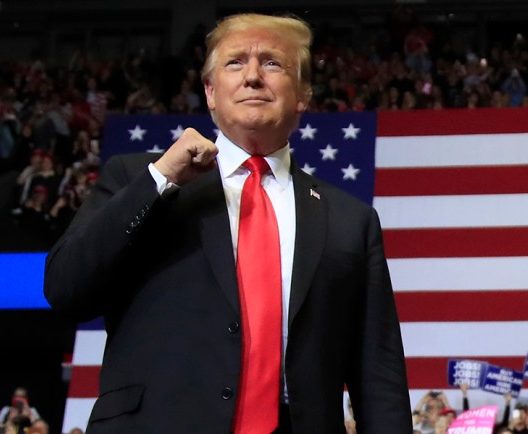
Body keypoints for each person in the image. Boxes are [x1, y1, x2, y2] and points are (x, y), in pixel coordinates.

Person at [44, 12, 411, 434]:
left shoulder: (351, 220)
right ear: (210, 91)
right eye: (235, 62)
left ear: (303, 94)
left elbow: (378, 373)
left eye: (273, 63)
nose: (253, 76)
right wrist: (160, 179)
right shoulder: (139, 179)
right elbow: (65, 288)